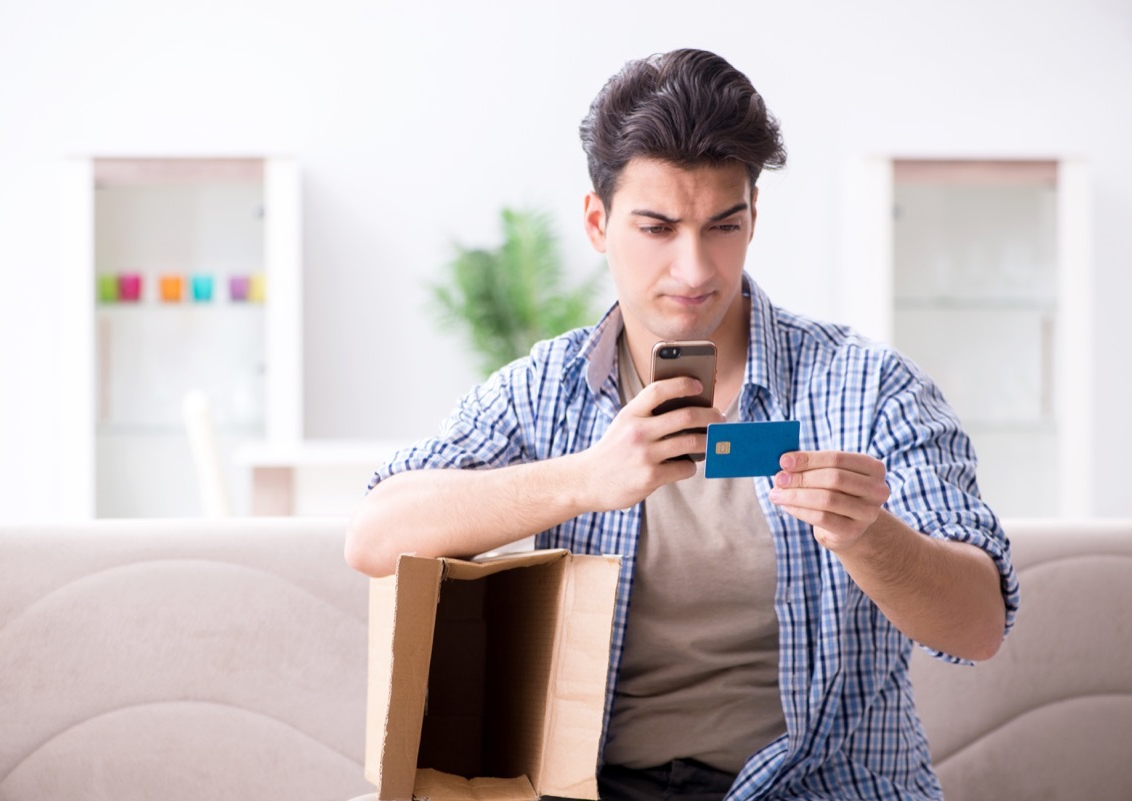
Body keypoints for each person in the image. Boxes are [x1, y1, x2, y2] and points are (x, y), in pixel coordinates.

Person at [345, 48, 1019, 801]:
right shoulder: (548, 388)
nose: (696, 269)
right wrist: (583, 479)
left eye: (722, 226)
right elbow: (374, 535)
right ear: (598, 222)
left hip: (817, 787)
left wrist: (870, 535)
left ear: (754, 218)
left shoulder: (868, 387)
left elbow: (979, 626)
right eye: (658, 228)